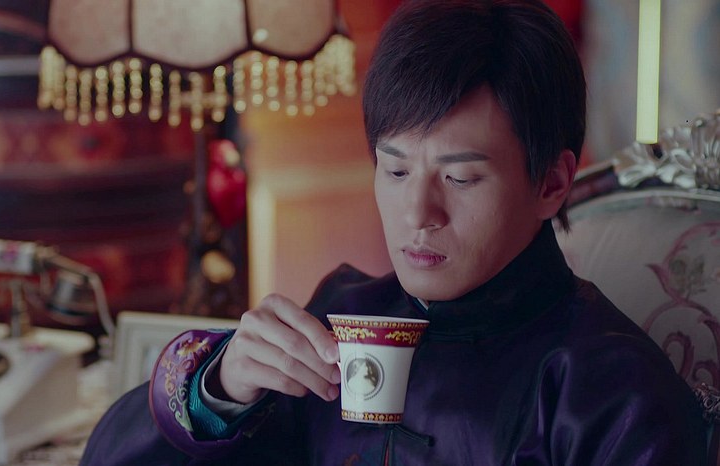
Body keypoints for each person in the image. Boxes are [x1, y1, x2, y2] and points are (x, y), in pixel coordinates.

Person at [81, 0, 708, 464]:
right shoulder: (338, 322)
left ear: (551, 183)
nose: (417, 213)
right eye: (396, 169)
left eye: (460, 178)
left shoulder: (611, 391)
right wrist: (221, 389)